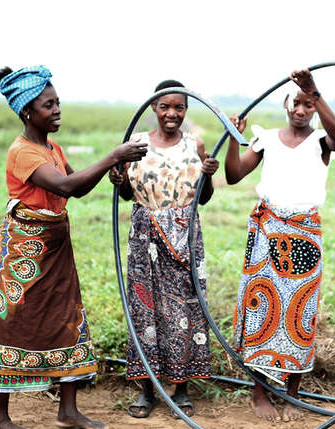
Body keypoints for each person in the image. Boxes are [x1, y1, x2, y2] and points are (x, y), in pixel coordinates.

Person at [0, 65, 147, 429]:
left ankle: (68, 410)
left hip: (57, 245)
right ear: (28, 110)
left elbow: (76, 182)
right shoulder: (23, 152)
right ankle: (0, 417)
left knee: (67, 318)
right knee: (14, 324)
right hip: (25, 251)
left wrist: (113, 171)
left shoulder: (52, 147)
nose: (57, 109)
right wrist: (113, 156)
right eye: (48, 105)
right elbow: (67, 188)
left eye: (58, 102)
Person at [222, 69, 335, 422]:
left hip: (304, 233)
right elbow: (232, 175)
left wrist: (315, 92)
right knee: (262, 307)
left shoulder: (322, 142)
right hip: (267, 230)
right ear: (285, 104)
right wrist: (234, 139)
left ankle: (293, 392)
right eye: (297, 103)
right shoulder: (267, 140)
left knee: (299, 311)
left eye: (309, 105)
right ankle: (259, 393)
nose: (302, 110)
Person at [107, 80, 219, 419]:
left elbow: (204, 197)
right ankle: (146, 391)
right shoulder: (136, 144)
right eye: (165, 107)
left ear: (186, 110)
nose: (172, 113)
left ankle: (181, 390)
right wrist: (120, 180)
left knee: (186, 308)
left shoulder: (194, 145)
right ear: (154, 108)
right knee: (146, 309)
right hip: (146, 237)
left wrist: (209, 175)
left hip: (185, 237)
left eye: (179, 107)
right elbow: (127, 195)